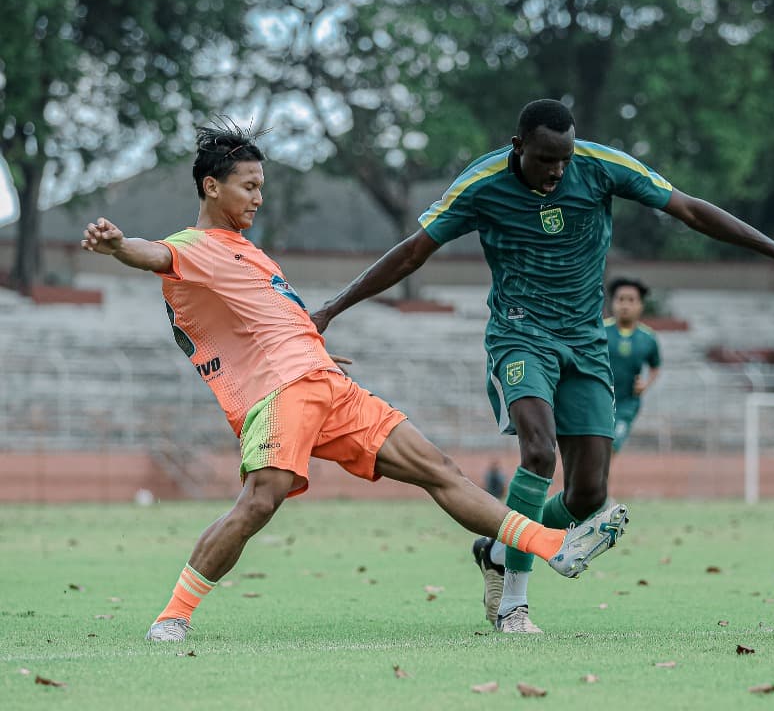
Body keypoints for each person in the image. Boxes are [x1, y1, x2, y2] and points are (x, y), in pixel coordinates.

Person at [79, 119, 628, 643]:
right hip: (279, 393)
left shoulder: (248, 251)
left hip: (326, 385)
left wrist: (313, 349)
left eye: (261, 187)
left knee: (437, 468)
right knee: (261, 501)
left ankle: (552, 547)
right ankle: (172, 617)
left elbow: (264, 318)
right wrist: (118, 244)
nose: (258, 198)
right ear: (210, 186)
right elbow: (155, 254)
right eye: (248, 187)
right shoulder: (194, 247)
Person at [310, 99, 774, 633]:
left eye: (564, 159)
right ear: (519, 146)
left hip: (586, 344)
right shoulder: (482, 184)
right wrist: (333, 307)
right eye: (546, 159)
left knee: (588, 495)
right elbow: (411, 252)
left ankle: (499, 548)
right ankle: (513, 604)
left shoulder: (601, 166)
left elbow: (688, 208)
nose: (557, 170)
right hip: (520, 336)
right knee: (539, 452)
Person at [604, 277, 661, 455]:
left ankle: (598, 483)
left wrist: (646, 383)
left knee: (610, 447)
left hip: (626, 405)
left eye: (631, 300)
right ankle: (595, 483)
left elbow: (655, 366)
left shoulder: (648, 338)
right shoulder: (599, 331)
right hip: (599, 400)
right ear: (613, 303)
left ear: (640, 305)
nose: (625, 305)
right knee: (595, 449)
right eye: (621, 299)